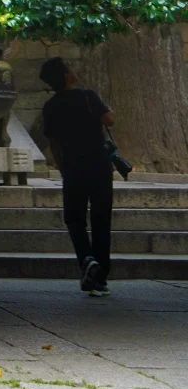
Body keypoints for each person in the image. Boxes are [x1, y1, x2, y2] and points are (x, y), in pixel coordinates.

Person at [39, 57, 115, 296]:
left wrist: (63, 168)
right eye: (69, 69)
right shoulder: (87, 96)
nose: (73, 71)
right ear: (65, 76)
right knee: (101, 219)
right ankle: (100, 277)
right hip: (99, 165)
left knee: (74, 219)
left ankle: (86, 259)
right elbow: (110, 120)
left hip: (73, 167)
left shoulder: (50, 107)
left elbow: (53, 142)